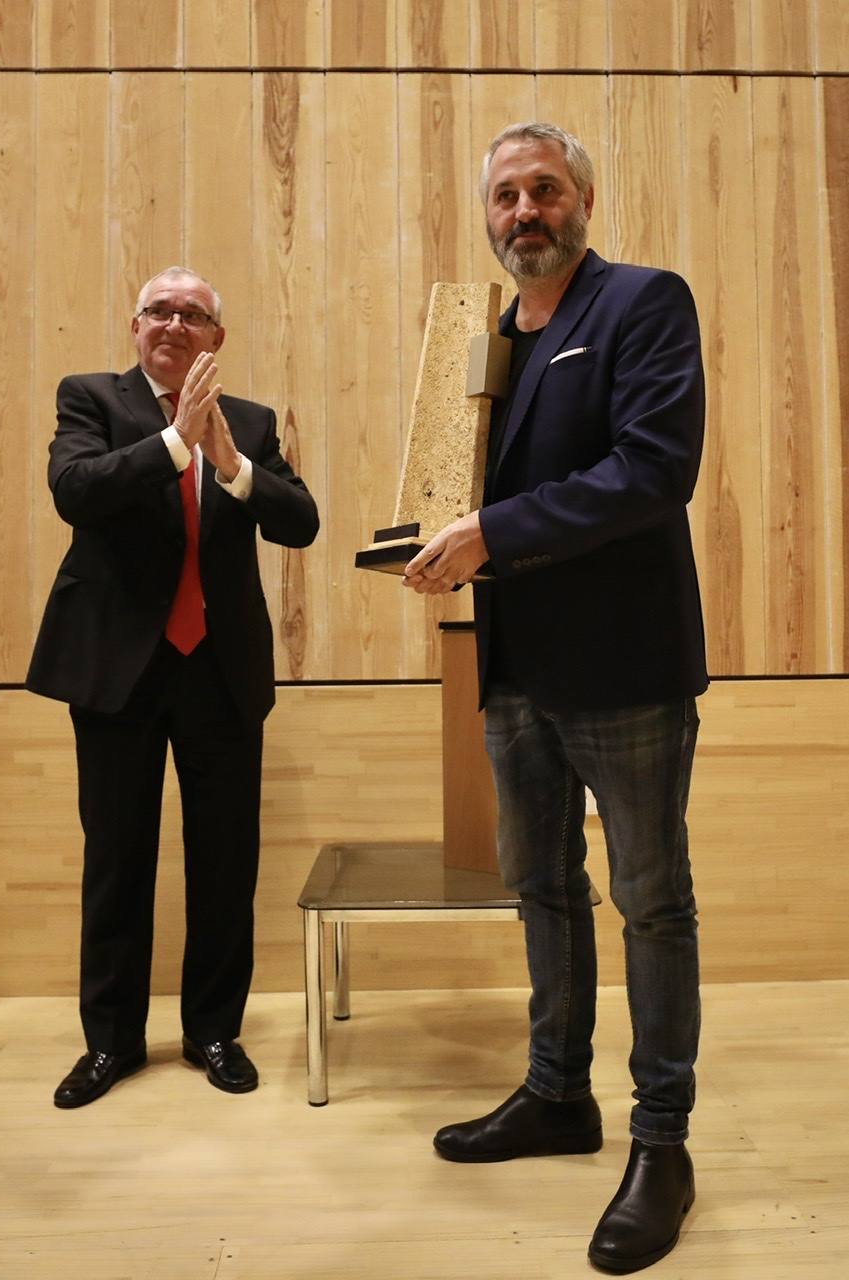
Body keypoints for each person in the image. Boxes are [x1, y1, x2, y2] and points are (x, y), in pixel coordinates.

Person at [403, 123, 707, 1273]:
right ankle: (556, 1093)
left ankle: (662, 1142)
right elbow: (465, 481)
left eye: (543, 190)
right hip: (515, 663)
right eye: (503, 196)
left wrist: (487, 530)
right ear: (485, 216)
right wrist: (428, 531)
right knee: (540, 885)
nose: (523, 211)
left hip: (626, 666)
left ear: (583, 196)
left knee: (652, 899)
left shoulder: (641, 303)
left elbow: (652, 468)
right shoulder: (488, 339)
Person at [27, 266, 318, 1109]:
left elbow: (299, 523)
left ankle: (213, 1032)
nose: (175, 323)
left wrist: (233, 465)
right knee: (116, 858)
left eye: (194, 314)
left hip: (219, 670)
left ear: (216, 340)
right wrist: (171, 444)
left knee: (226, 860)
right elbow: (74, 492)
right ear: (134, 325)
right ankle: (110, 1044)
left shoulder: (251, 423)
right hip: (117, 669)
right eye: (160, 309)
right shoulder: (91, 398)